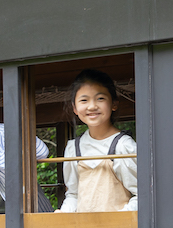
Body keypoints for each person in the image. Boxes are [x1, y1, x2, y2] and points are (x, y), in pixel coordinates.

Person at [57, 69, 137, 213]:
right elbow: (73, 195)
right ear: (75, 108)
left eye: (100, 98)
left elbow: (141, 195)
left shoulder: (124, 146)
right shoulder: (73, 148)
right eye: (84, 100)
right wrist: (63, 215)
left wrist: (119, 221)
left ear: (114, 104)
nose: (92, 106)